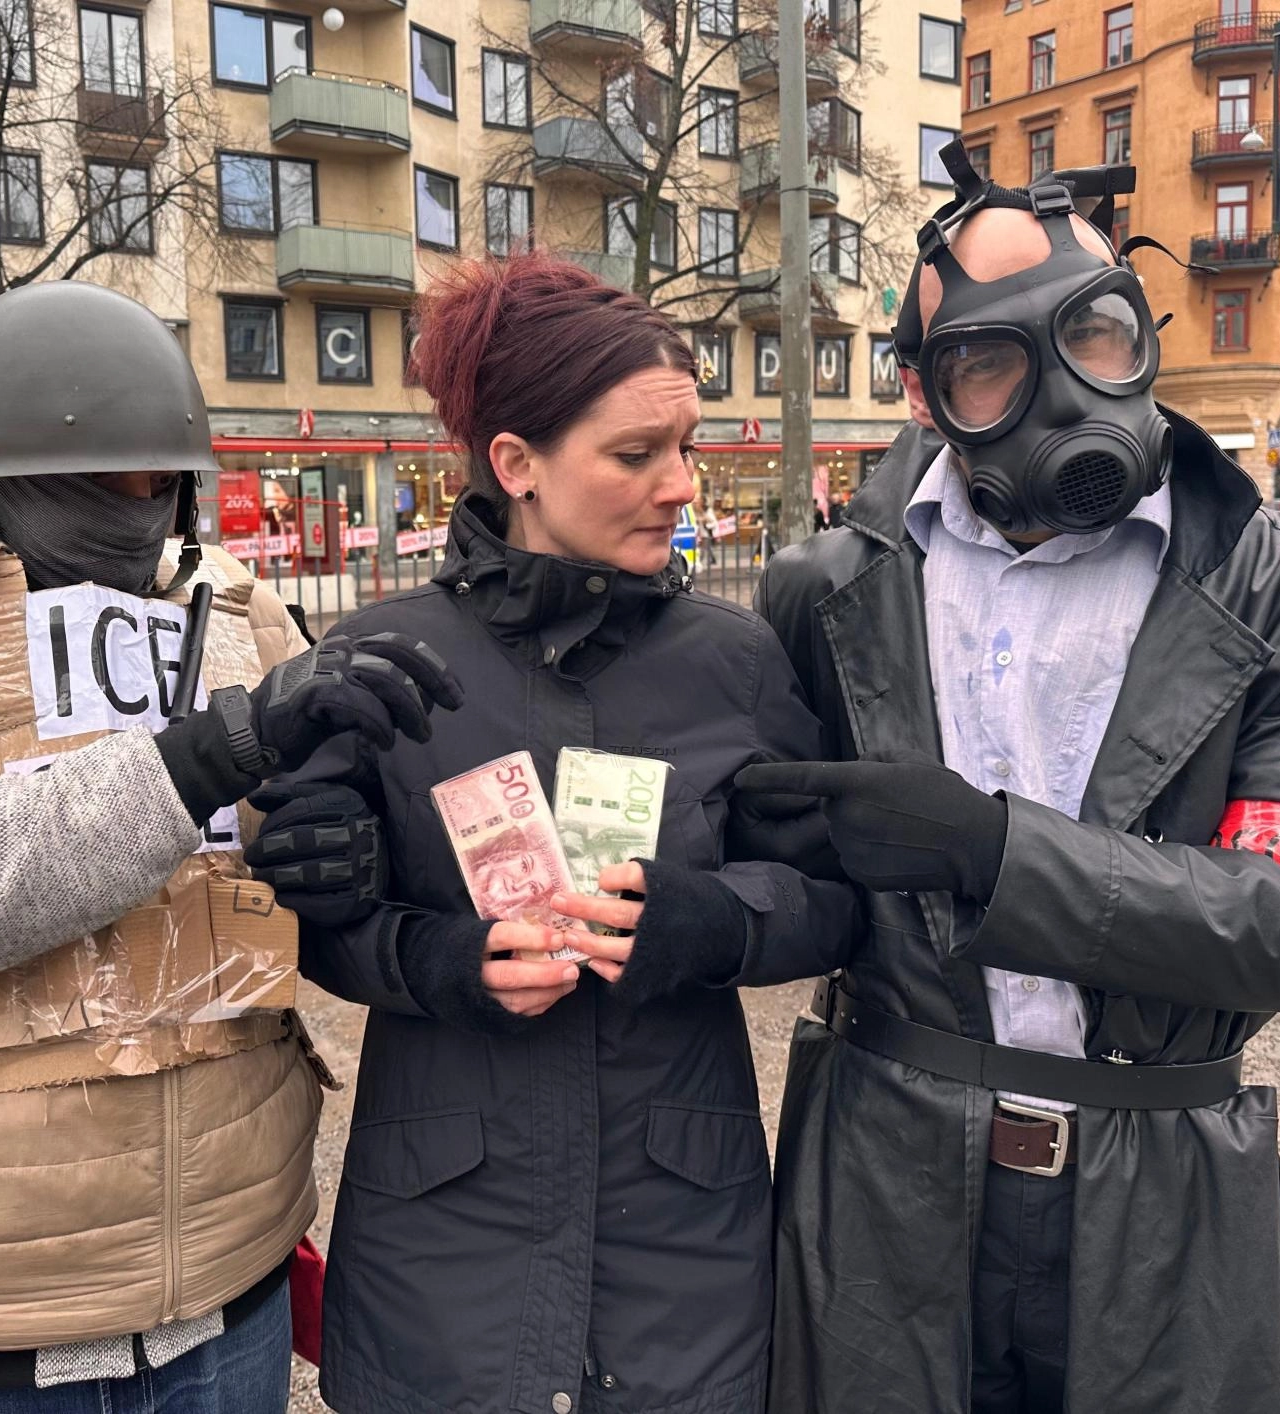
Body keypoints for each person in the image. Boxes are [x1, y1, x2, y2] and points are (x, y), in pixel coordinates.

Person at [737, 147, 1280, 1413]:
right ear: (923, 395)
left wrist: (993, 855)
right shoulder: (825, 592)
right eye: (992, 360)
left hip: (1162, 1207)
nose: (1064, 388)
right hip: (884, 1199)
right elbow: (730, 834)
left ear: (1141, 331)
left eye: (1095, 333)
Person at [0, 282, 461, 1414]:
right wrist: (206, 756)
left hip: (230, 1298)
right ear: (1, 474)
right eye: (102, 480)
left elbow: (294, 866)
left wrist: (333, 857)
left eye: (160, 480)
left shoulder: (239, 616)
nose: (138, 507)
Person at [244, 252, 864, 1414]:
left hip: (678, 1235)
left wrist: (715, 922)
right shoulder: (379, 664)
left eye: (687, 448)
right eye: (636, 455)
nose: (680, 485)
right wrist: (437, 959)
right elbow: (316, 921)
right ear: (516, 463)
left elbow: (831, 897)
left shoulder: (734, 662)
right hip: (446, 1235)